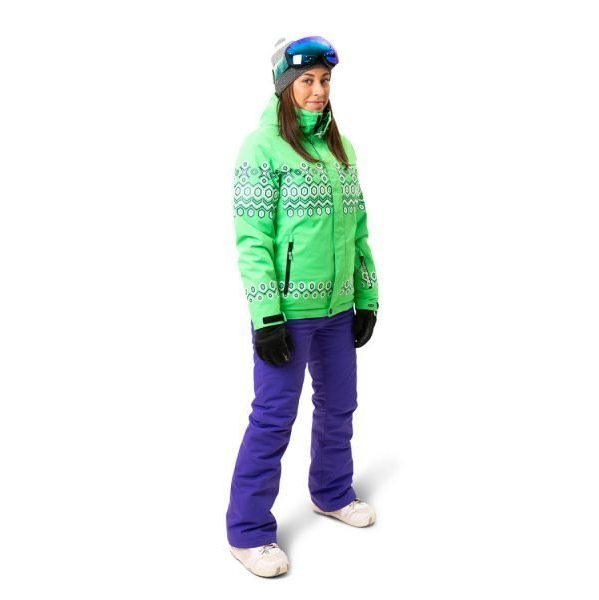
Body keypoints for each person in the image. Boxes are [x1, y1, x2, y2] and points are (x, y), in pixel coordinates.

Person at [226, 35, 380, 578]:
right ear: (284, 86)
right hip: (288, 314)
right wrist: (267, 317)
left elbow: (358, 232)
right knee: (273, 418)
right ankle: (248, 531)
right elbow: (253, 241)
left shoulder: (341, 149)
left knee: (340, 406)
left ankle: (332, 493)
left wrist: (367, 296)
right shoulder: (261, 149)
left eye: (325, 80)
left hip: (338, 309)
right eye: (307, 81)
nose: (318, 91)